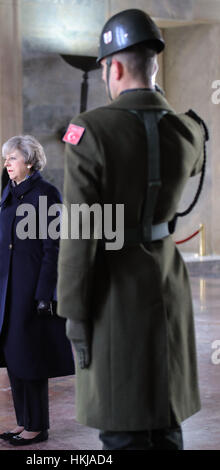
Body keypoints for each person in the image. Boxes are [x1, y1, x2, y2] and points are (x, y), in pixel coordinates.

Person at [57, 9, 207, 450]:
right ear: (154, 65)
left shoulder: (89, 131)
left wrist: (72, 312)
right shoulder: (186, 130)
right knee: (165, 417)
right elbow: (187, 144)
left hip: (113, 294)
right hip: (167, 285)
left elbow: (79, 234)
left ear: (113, 67)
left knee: (123, 423)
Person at [0, 135, 74, 446]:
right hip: (8, 289)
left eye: (12, 158)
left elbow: (54, 248)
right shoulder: (11, 192)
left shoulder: (47, 193)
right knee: (14, 357)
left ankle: (37, 426)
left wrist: (44, 294)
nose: (7, 164)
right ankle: (24, 422)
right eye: (6, 158)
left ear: (29, 161)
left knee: (32, 358)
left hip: (32, 290)